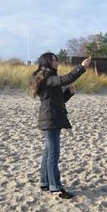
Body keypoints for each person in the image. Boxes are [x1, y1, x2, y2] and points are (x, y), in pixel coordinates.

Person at [30, 53, 91, 199]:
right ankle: (55, 188)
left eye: (56, 59)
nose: (56, 62)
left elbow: (59, 100)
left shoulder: (49, 78)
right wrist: (81, 67)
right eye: (53, 60)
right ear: (46, 62)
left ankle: (45, 183)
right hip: (50, 120)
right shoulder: (46, 77)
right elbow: (66, 79)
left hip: (52, 119)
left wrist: (69, 93)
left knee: (48, 153)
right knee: (53, 155)